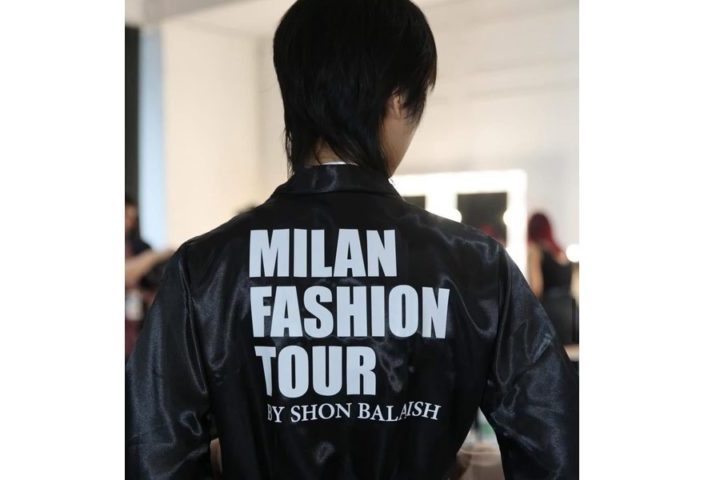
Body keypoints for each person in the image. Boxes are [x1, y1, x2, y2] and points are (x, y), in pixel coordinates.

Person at [126, 1, 579, 478]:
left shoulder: (206, 269)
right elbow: (556, 447)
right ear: (399, 98)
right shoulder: (476, 266)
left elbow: (152, 454)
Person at [125, 194, 173, 357]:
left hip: (138, 341)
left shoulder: (140, 246)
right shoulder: (149, 254)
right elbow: (126, 274)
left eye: (133, 217)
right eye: (126, 216)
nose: (130, 222)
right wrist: (156, 256)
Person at [527, 212, 579, 346]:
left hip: (551, 314)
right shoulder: (561, 251)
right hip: (572, 312)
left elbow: (536, 288)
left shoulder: (535, 250)